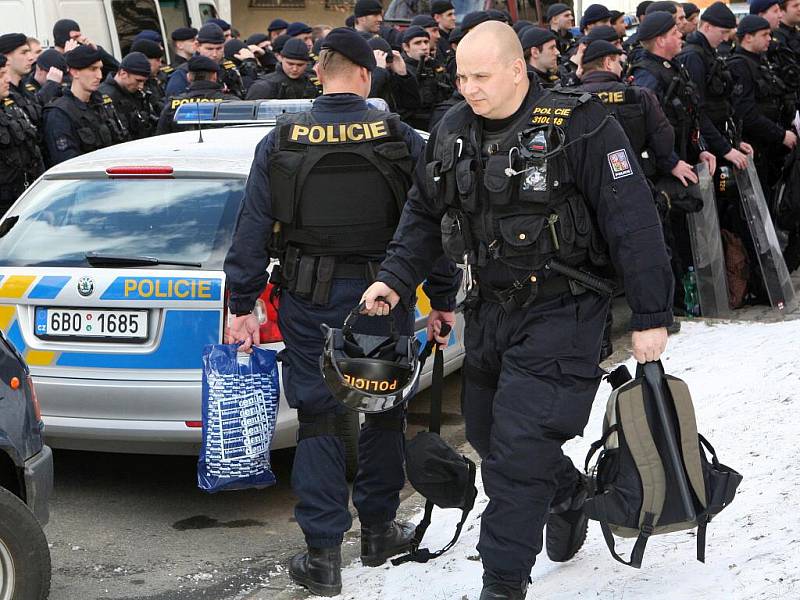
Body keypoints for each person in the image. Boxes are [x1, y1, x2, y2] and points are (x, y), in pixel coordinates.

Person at [361, 21, 672, 600]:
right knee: (485, 432)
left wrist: (652, 316)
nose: (469, 87)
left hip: (565, 311)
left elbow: (633, 222)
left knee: (518, 453)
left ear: (516, 69)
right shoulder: (453, 129)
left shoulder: (580, 126)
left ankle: (502, 585)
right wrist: (393, 282)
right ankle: (569, 495)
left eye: (480, 76)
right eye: (460, 76)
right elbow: (424, 214)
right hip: (491, 311)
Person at [224, 27, 458, 598]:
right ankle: (378, 531)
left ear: (319, 71)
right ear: (363, 74)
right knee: (380, 410)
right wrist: (443, 299)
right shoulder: (401, 136)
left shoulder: (281, 140)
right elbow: (435, 224)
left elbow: (252, 228)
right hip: (384, 297)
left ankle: (323, 555)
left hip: (307, 300)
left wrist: (241, 303)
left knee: (322, 419)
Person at [676, 2, 753, 171]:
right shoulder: (693, 56)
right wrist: (725, 149)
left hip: (718, 139)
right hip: (708, 147)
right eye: (723, 32)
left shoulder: (709, 52)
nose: (726, 38)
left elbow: (721, 104)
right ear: (708, 27)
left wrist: (734, 142)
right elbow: (699, 111)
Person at [728, 15, 797, 192]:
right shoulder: (739, 65)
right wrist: (781, 135)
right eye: (764, 34)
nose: (769, 39)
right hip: (755, 147)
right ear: (748, 37)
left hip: (770, 147)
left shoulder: (760, 61)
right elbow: (746, 114)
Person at [42, 45, 128, 167]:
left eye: (100, 69)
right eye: (93, 69)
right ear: (75, 72)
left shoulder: (102, 104)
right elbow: (66, 163)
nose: (99, 76)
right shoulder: (59, 113)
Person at [0, 55, 44, 213]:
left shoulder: (10, 109)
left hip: (25, 201)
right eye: (1, 75)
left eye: (6, 73)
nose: (7, 79)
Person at [156, 55, 237, 135]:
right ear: (214, 76)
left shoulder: (173, 105)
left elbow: (160, 138)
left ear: (189, 77)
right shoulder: (231, 103)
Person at [98, 52, 155, 139]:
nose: (141, 86)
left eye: (144, 82)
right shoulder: (104, 96)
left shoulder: (137, 93)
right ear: (123, 74)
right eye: (138, 81)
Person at [245, 38, 321, 100]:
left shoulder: (313, 83)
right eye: (290, 64)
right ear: (281, 58)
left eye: (300, 65)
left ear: (307, 63)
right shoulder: (263, 87)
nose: (294, 69)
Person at [165, 23, 226, 96]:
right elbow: (174, 103)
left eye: (219, 48)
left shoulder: (226, 70)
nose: (214, 54)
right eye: (209, 49)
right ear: (198, 46)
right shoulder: (182, 74)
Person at [0, 34, 42, 130]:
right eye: (24, 53)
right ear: (6, 57)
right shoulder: (3, 94)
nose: (31, 57)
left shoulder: (28, 90)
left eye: (29, 52)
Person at [51, 18, 119, 76]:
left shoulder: (81, 55)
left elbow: (117, 70)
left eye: (80, 35)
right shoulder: (49, 58)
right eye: (75, 37)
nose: (81, 39)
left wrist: (97, 51)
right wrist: (68, 56)